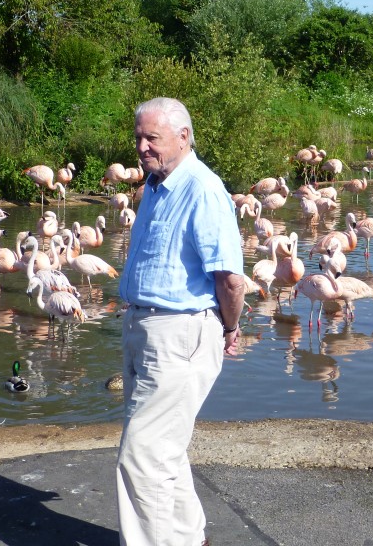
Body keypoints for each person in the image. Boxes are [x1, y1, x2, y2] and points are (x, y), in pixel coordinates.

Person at [116, 97, 245, 546]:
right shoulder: (154, 186)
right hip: (142, 328)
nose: (142, 147)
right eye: (138, 138)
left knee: (142, 455)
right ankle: (191, 539)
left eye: (152, 138)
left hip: (180, 331)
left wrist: (231, 328)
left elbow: (230, 279)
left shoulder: (203, 190)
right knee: (162, 449)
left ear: (184, 137)